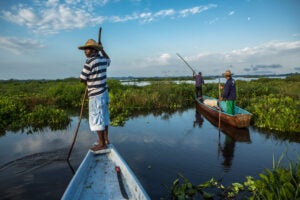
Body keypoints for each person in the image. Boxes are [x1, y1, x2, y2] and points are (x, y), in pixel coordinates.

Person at [78, 39, 111, 152]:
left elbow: (82, 78)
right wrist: (102, 50)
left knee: (97, 118)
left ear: (93, 50)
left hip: (96, 95)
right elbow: (109, 60)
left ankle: (101, 144)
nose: (85, 51)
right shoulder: (102, 59)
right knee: (104, 117)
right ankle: (106, 140)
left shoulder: (89, 62)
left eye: (87, 49)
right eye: (85, 49)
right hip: (104, 93)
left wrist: (88, 81)